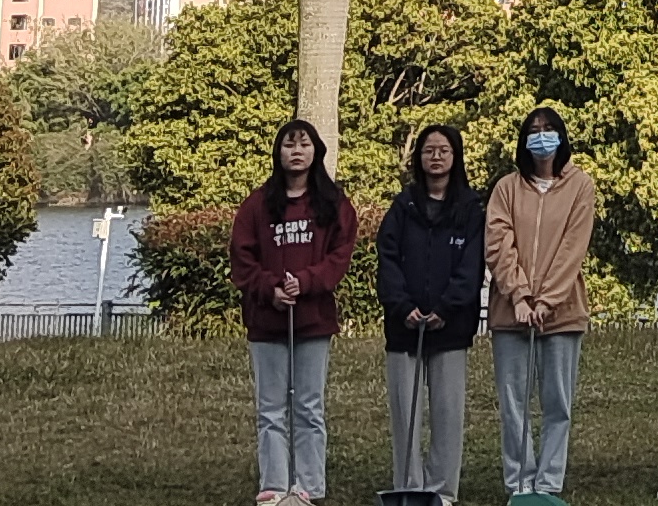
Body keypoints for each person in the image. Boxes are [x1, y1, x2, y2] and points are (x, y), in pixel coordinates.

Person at [231, 116, 362, 506]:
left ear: (316, 151)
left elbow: (339, 256)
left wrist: (304, 282)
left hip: (313, 321)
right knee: (271, 408)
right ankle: (274, 485)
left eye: (304, 144)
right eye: (289, 145)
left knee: (309, 406)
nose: (297, 152)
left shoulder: (334, 203)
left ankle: (309, 485)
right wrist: (270, 289)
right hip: (267, 322)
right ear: (278, 152)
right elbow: (242, 258)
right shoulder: (257, 204)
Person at [486, 105, 599, 505]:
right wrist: (518, 295)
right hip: (510, 313)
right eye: (533, 130)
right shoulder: (506, 188)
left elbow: (573, 248)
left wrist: (547, 300)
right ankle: (520, 481)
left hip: (563, 313)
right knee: (513, 402)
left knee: (557, 402)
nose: (541, 136)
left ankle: (548, 483)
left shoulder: (580, 186)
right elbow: (498, 244)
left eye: (549, 128)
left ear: (562, 136)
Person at [377, 123, 485, 506]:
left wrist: (445, 308)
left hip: (450, 327)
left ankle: (442, 491)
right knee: (405, 412)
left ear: (456, 157)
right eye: (428, 150)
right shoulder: (402, 206)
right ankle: (408, 485)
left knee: (447, 412)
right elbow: (387, 259)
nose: (436, 157)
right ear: (418, 158)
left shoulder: (470, 209)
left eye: (444, 150)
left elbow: (472, 266)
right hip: (403, 327)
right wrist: (403, 307)